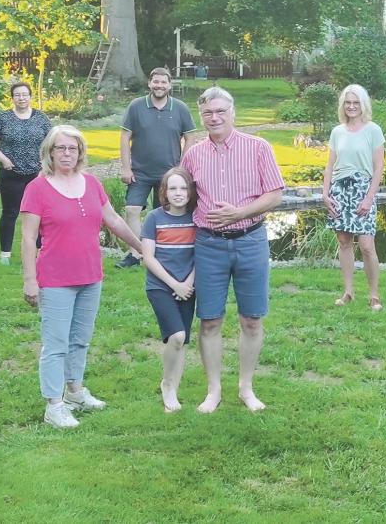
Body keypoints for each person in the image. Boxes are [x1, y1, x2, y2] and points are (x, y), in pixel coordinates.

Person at [20, 125, 144, 429]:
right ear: (49, 152)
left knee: (80, 340)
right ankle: (54, 404)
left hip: (91, 275)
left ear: (80, 153)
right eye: (60, 148)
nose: (66, 153)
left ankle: (75, 392)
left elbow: (113, 219)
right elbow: (27, 238)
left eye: (71, 148)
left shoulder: (91, 183)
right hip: (55, 278)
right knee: (56, 343)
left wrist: (141, 247)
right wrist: (29, 280)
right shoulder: (38, 188)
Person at [181, 86, 285, 413]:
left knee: (251, 319)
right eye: (208, 113)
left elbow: (275, 194)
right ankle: (213, 391)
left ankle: (246, 387)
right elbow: (181, 198)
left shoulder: (258, 148)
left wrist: (239, 213)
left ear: (232, 113)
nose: (214, 118)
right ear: (202, 117)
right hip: (209, 244)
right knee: (209, 320)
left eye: (220, 112)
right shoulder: (193, 154)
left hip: (250, 240)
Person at [116, 67, 198, 268]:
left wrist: (182, 167)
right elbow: (125, 138)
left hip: (169, 174)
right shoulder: (136, 106)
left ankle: (162, 251)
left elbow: (190, 137)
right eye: (156, 82)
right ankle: (136, 253)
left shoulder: (180, 108)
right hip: (140, 172)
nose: (159, 85)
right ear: (150, 84)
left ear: (169, 85)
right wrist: (126, 168)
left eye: (163, 82)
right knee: (132, 209)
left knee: (165, 212)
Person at [322, 84, 386, 311]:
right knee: (344, 241)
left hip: (362, 190)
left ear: (363, 105)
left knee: (367, 245)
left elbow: (379, 168)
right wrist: (325, 193)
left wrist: (369, 198)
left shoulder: (373, 130)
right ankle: (348, 291)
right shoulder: (337, 132)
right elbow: (330, 166)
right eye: (347, 102)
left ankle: (374, 295)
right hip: (339, 190)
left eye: (355, 102)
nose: (351, 107)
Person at [140, 167, 198, 412]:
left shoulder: (197, 217)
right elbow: (148, 258)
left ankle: (175, 387)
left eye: (183, 188)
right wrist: (174, 284)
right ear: (164, 191)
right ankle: (167, 383)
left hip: (188, 287)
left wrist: (188, 284)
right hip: (161, 287)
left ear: (190, 191)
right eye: (173, 188)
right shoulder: (154, 218)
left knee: (181, 342)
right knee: (176, 336)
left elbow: (202, 255)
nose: (178, 193)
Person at [0, 82, 52, 265]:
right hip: (11, 173)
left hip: (37, 175)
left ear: (30, 97)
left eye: (24, 95)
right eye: (17, 95)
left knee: (38, 213)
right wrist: (4, 159)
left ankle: (39, 251)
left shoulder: (41, 118)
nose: (21, 98)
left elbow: (50, 144)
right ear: (12, 98)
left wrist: (45, 164)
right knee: (10, 213)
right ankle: (5, 254)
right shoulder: (3, 118)